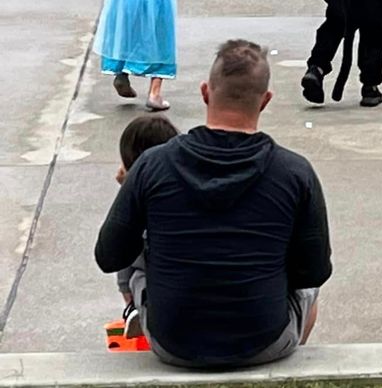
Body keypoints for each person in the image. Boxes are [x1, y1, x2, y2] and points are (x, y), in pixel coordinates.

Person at [95, 40, 332, 368]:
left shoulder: (152, 165)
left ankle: (138, 311)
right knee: (310, 291)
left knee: (136, 263)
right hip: (264, 341)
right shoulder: (294, 172)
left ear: (205, 92)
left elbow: (109, 256)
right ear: (265, 101)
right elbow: (314, 271)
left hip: (172, 343)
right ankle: (284, 372)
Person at [112, 115, 180, 319]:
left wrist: (127, 189)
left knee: (135, 269)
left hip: (165, 304)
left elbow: (112, 253)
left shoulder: (142, 199)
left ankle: (134, 308)